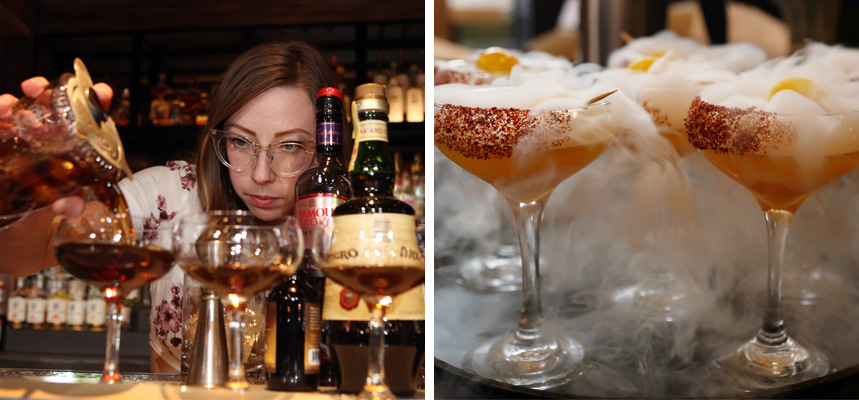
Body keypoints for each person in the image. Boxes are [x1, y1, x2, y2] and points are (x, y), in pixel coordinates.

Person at [0, 40, 338, 373]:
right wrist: (31, 175)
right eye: (240, 141)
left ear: (328, 143)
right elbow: (26, 256)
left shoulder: (354, 222)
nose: (261, 174)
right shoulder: (173, 194)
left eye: (290, 145)